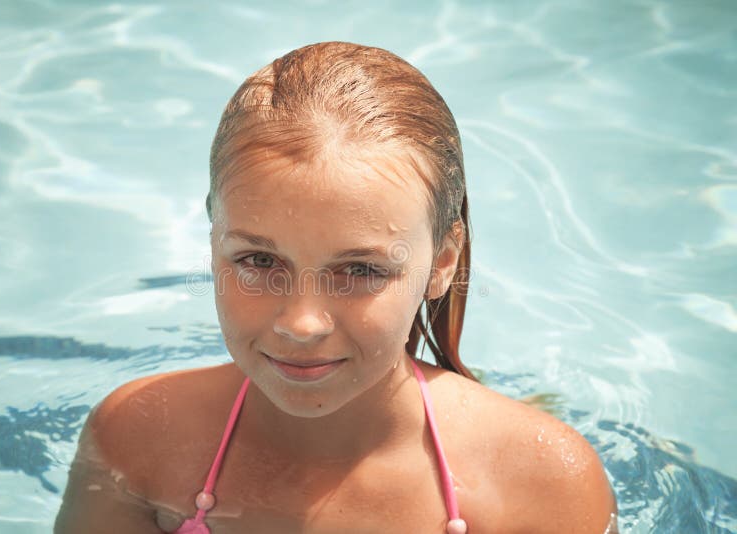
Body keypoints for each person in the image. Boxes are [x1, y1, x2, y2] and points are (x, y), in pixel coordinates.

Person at [54, 41, 618, 533]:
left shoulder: (544, 484)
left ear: (443, 260)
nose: (301, 323)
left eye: (363, 270)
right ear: (212, 244)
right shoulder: (141, 439)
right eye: (257, 259)